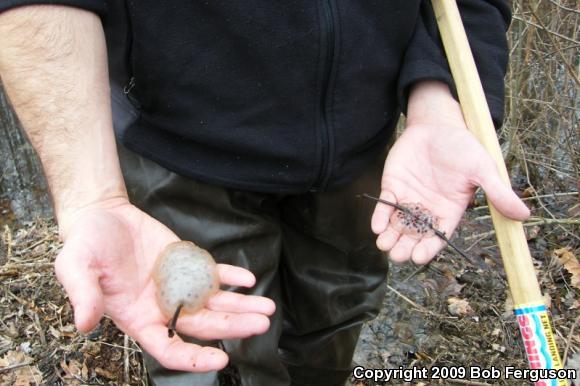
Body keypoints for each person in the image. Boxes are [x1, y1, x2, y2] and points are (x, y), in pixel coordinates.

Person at [0, 1, 530, 385]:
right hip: (181, 149)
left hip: (368, 149)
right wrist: (92, 195)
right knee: (210, 347)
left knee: (337, 318)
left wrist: (440, 103)